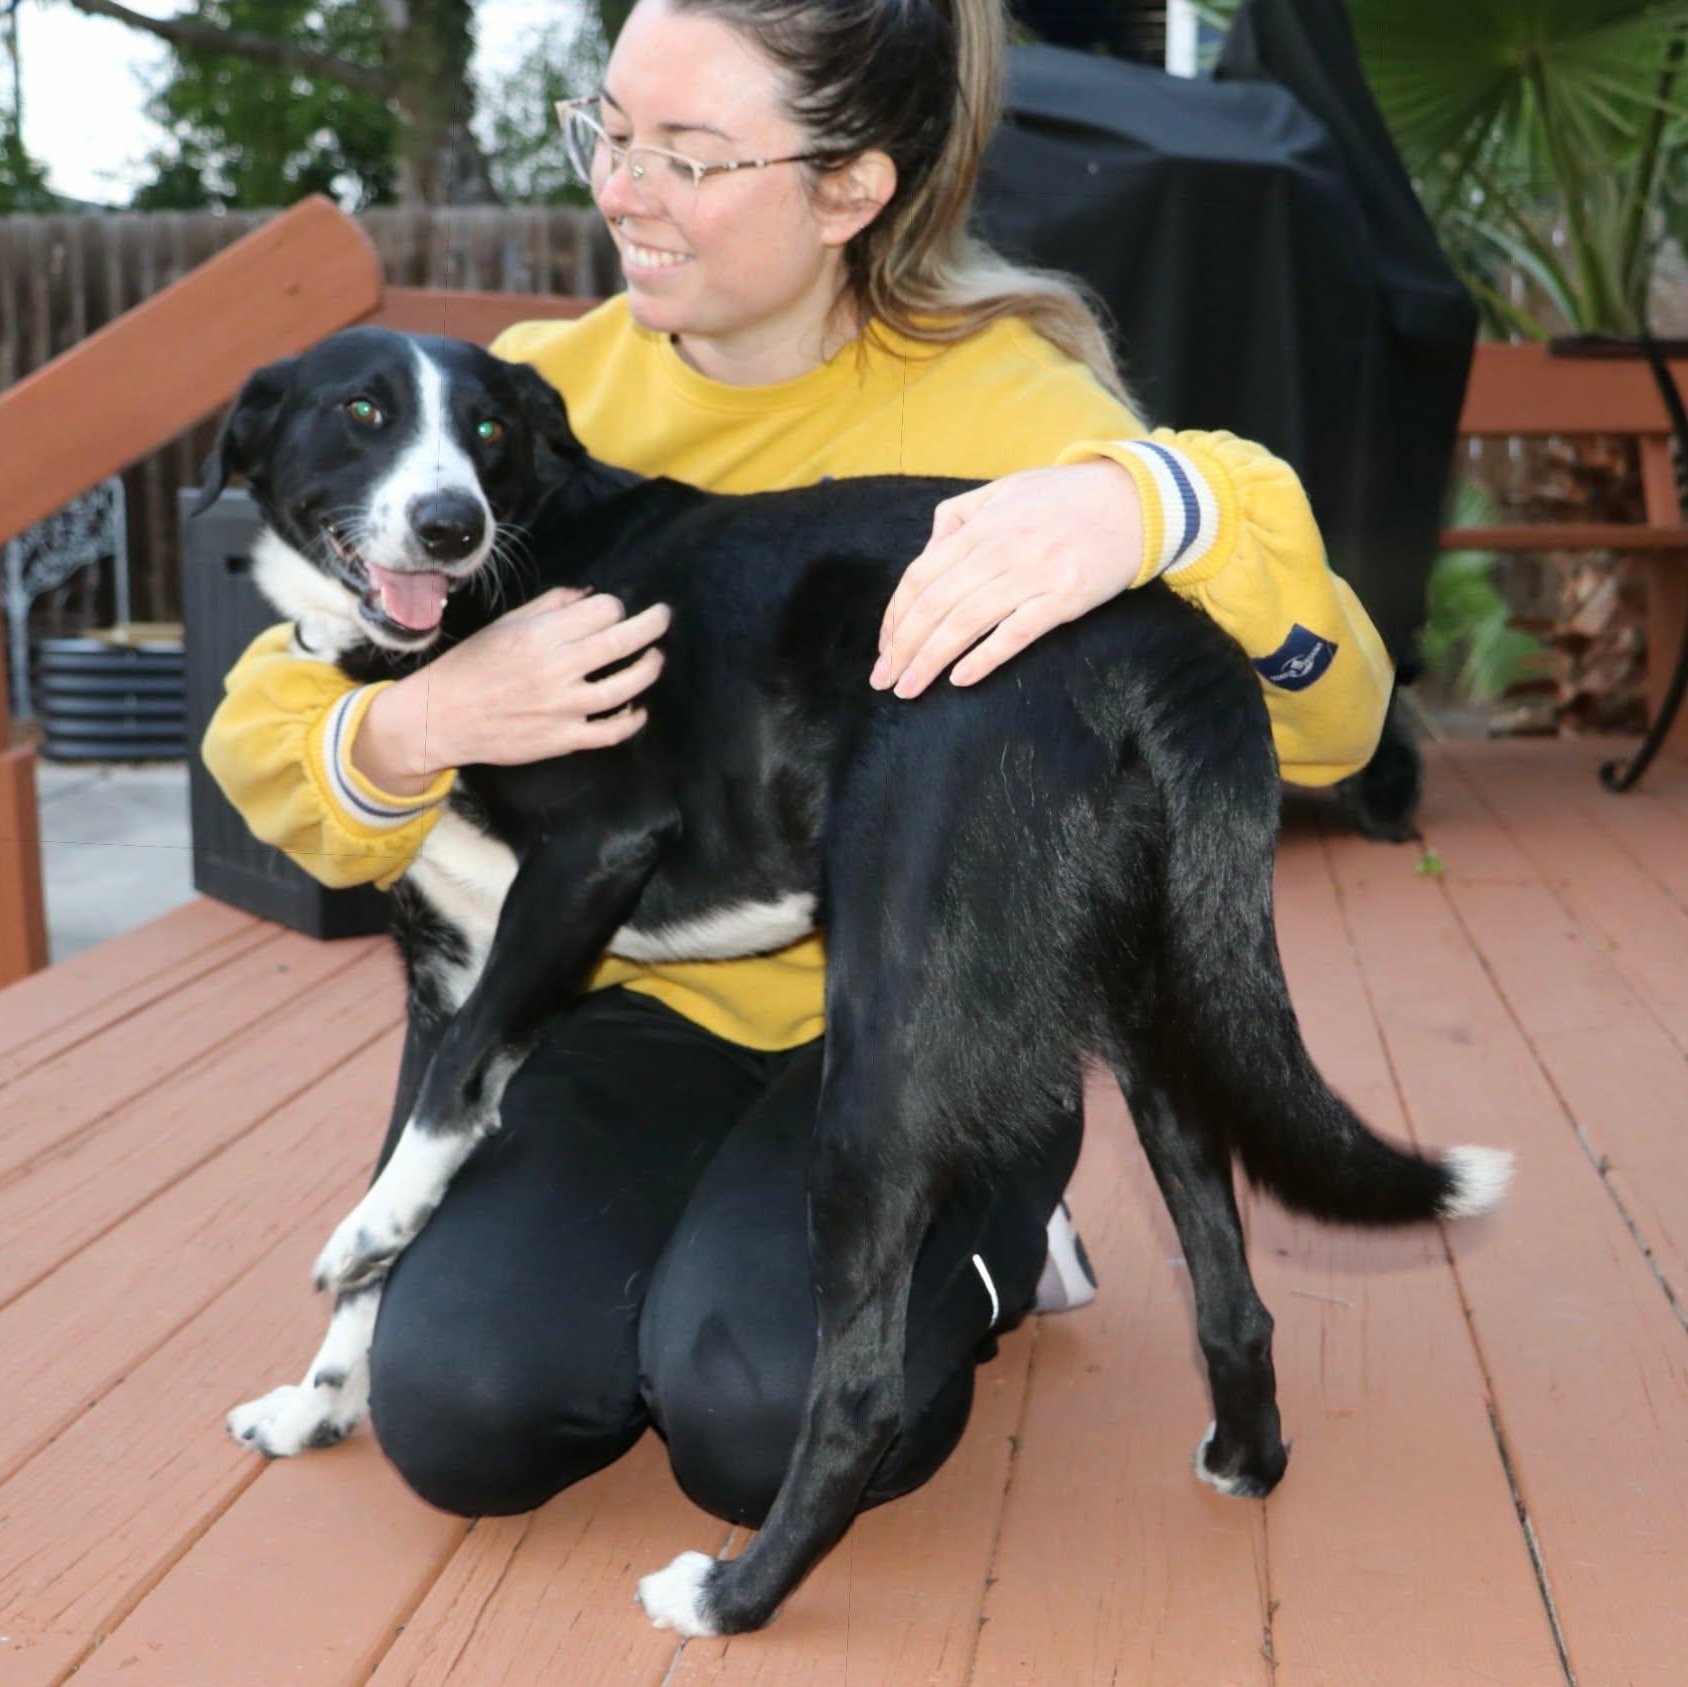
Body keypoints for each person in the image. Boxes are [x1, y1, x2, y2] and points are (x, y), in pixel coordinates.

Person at [201, 0, 1392, 1529]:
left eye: (687, 157)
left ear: (851, 189)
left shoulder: (1014, 416)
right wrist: (417, 723)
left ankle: (999, 1235)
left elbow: (1335, 723)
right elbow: (267, 711)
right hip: (637, 1008)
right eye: (609, 131)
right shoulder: (528, 401)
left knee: (759, 1413)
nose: (622, 188)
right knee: (474, 1412)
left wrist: (1178, 508)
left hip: (930, 1018)